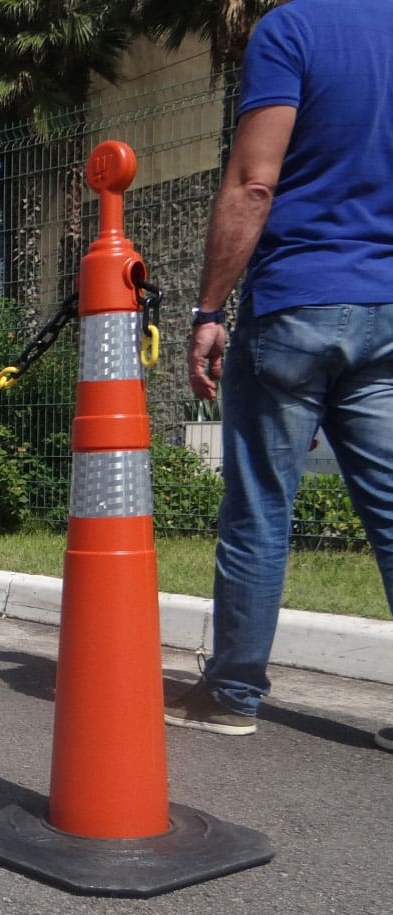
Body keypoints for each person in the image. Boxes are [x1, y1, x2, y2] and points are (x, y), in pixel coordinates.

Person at [163, 0, 393, 750]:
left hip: (296, 303)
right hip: (386, 308)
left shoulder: (293, 30)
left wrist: (208, 309)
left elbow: (254, 182)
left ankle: (232, 694)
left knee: (260, 508)